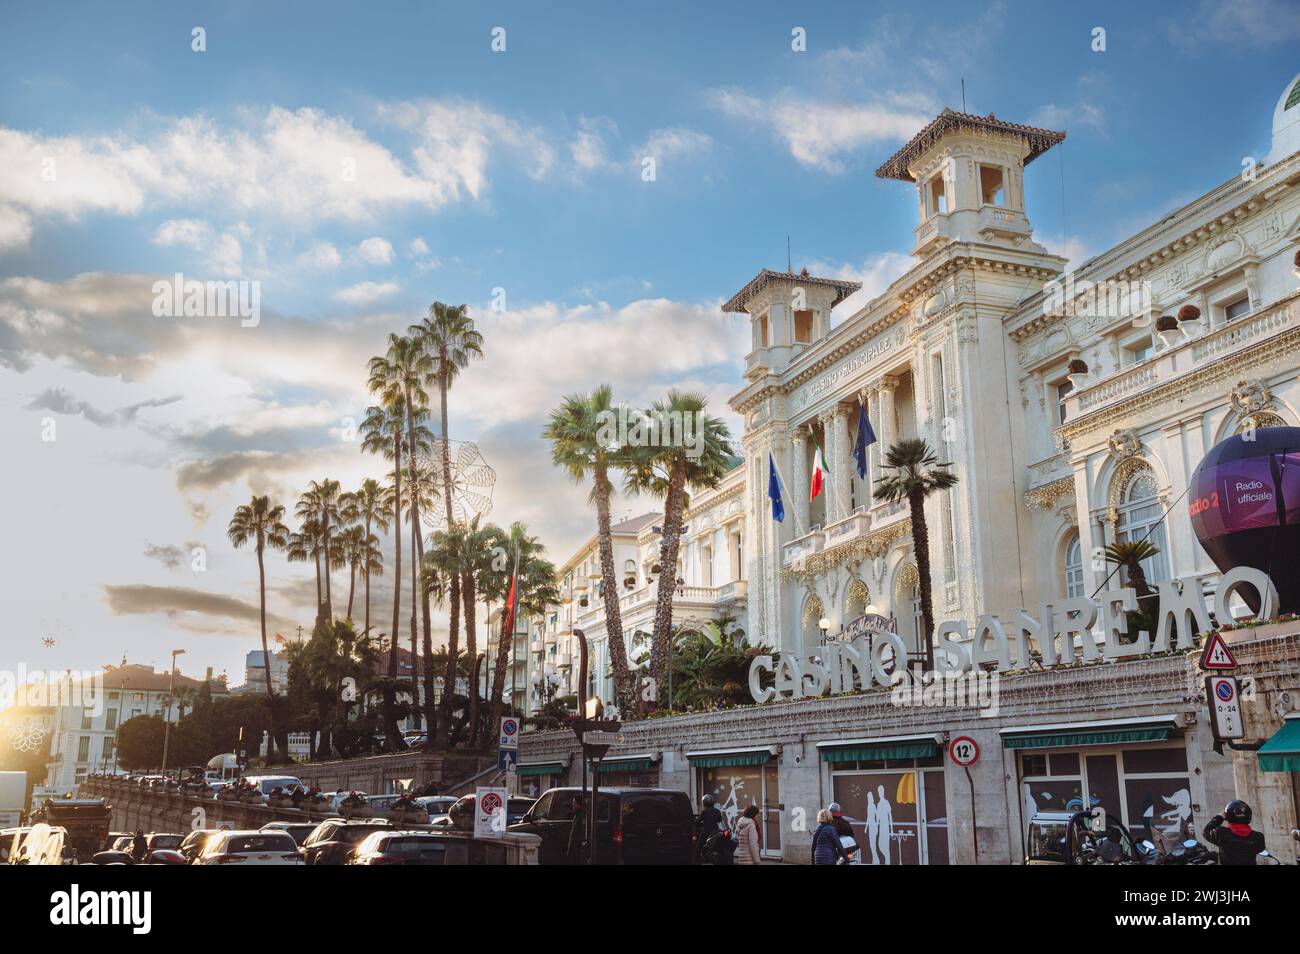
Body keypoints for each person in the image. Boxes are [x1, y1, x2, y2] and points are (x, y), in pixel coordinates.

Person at [1203, 800, 1265, 865]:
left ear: (1228, 816)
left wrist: (1219, 817)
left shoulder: (1221, 833)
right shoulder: (1258, 837)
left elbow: (1206, 832)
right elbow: (1260, 849)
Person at [695, 794, 723, 863]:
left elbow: (698, 822)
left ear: (704, 802)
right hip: (715, 832)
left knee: (698, 848)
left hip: (706, 832)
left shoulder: (704, 811)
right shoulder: (717, 811)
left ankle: (697, 861)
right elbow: (719, 820)